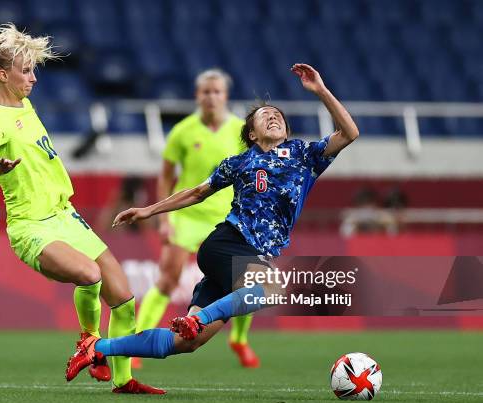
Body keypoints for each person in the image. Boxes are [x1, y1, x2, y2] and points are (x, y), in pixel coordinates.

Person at [64, 64, 359, 379]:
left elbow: (350, 133)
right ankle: (197, 320)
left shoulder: (304, 155)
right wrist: (150, 210)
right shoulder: (239, 162)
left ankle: (97, 349)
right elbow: (196, 193)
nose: (274, 116)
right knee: (270, 287)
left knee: (185, 343)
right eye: (265, 115)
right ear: (251, 133)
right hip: (226, 244)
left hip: (245, 257)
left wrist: (321, 91)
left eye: (279, 116)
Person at [0, 23, 164, 394]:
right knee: (90, 275)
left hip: (67, 216)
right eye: (25, 71)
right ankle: (89, 342)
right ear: (3, 74)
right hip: (32, 226)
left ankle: (124, 381)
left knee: (124, 301)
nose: (33, 78)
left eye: (33, 70)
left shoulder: (25, 107)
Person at [134, 68, 259, 369]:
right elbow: (166, 178)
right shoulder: (183, 131)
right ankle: (138, 341)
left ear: (225, 96)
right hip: (187, 215)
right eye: (206, 92)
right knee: (168, 276)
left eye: (217, 92)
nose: (212, 97)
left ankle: (239, 340)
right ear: (197, 96)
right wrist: (164, 219)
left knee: (250, 279)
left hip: (227, 217)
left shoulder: (239, 132)